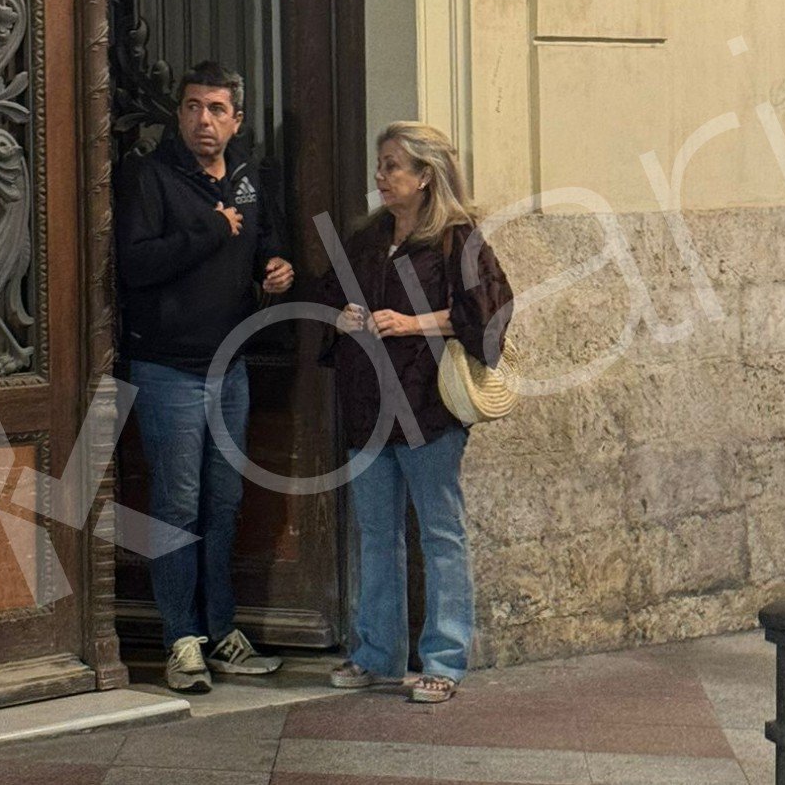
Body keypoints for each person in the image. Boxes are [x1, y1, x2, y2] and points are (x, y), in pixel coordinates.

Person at [318, 121, 513, 703]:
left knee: (440, 532)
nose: (381, 177)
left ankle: (446, 660)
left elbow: (490, 312)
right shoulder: (369, 236)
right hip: (367, 405)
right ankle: (378, 653)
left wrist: (412, 323)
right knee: (376, 534)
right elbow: (327, 296)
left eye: (392, 167)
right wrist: (342, 317)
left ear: (425, 176)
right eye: (380, 165)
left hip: (427, 404)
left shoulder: (458, 238)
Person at [115, 61, 294, 693]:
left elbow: (267, 238)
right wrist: (210, 230)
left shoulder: (247, 178)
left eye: (217, 109)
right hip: (170, 370)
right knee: (176, 506)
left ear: (236, 119)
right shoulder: (151, 177)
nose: (203, 120)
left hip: (232, 368)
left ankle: (221, 634)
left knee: (225, 504)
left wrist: (276, 267)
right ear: (180, 115)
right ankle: (179, 641)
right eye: (193, 107)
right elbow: (135, 264)